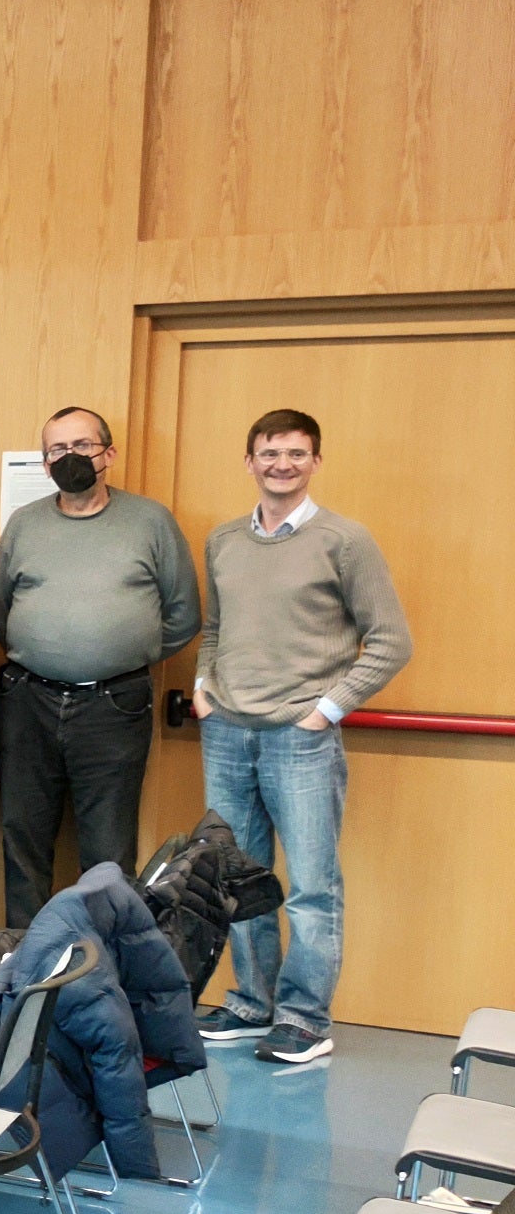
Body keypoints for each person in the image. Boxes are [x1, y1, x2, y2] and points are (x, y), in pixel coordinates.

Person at [194, 409, 409, 1067]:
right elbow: (215, 626)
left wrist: (327, 710)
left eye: (294, 453)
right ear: (249, 461)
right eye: (268, 452)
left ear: (315, 461)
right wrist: (205, 685)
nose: (280, 463)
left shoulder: (345, 540)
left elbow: (392, 641)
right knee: (236, 879)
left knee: (312, 886)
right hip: (227, 732)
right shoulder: (225, 540)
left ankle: (304, 1018)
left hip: (300, 738)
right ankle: (253, 1003)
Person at [0, 406, 203, 926]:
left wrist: (116, 653)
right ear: (44, 463)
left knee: (108, 851)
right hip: (27, 702)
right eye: (57, 450)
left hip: (114, 704)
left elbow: (184, 615)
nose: (70, 458)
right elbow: (2, 610)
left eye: (82, 446)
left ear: (108, 453)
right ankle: (25, 970)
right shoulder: (25, 523)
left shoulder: (150, 521)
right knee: (23, 839)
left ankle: (99, 974)